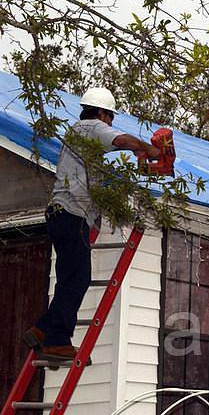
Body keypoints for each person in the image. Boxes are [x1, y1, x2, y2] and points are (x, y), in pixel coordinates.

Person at [23, 87, 161, 361]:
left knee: (67, 281)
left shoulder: (79, 135)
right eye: (110, 117)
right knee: (79, 279)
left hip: (60, 214)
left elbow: (97, 172)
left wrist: (136, 162)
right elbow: (120, 140)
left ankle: (49, 335)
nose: (110, 123)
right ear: (101, 113)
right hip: (72, 215)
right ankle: (50, 335)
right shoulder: (92, 127)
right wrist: (149, 149)